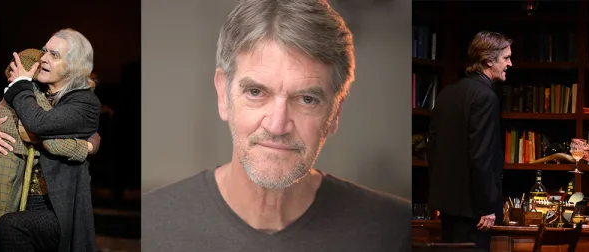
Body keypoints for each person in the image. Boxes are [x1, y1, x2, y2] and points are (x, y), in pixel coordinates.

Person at [141, 0, 410, 250]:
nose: (277, 125)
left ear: (335, 113)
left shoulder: (393, 230)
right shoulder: (150, 226)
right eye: (256, 92)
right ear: (223, 95)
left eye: (306, 99)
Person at [0, 52, 102, 252]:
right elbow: (37, 130)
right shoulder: (26, 96)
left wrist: (90, 144)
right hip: (6, 169)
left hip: (46, 195)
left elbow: (48, 129)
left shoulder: (74, 104)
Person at [427, 30, 509, 251]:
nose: (510, 64)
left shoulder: (446, 93)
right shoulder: (486, 97)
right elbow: (480, 155)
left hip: (448, 207)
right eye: (506, 58)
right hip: (473, 213)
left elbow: (433, 149)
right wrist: (486, 207)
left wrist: (439, 199)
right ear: (489, 60)